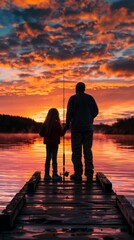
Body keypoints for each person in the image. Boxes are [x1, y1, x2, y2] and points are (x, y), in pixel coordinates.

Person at [64, 82, 99, 182]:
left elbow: (69, 113)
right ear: (84, 88)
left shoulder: (73, 98)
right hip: (88, 128)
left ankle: (78, 174)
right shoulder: (90, 98)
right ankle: (89, 174)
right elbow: (96, 111)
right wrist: (89, 118)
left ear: (76, 89)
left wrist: (67, 125)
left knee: (76, 152)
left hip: (76, 129)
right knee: (88, 151)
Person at [39, 108, 63, 182]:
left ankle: (46, 175)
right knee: (54, 159)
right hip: (55, 144)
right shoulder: (57, 124)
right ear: (56, 115)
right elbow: (61, 134)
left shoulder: (45, 124)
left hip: (48, 144)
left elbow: (41, 134)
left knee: (48, 158)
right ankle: (54, 175)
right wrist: (64, 129)